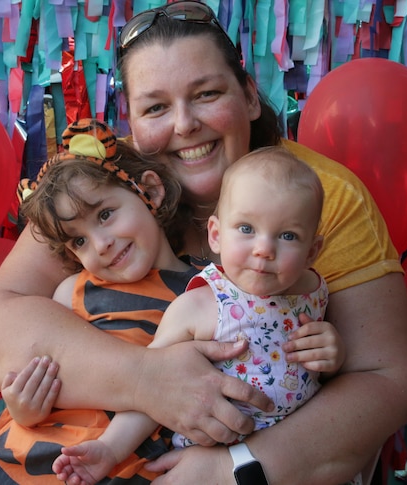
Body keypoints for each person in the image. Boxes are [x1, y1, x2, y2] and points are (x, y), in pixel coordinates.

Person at [0, 1, 407, 483]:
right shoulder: (104, 186)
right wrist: (148, 381)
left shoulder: (321, 196)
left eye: (205, 94)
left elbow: (384, 379)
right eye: (156, 107)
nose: (184, 125)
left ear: (248, 96)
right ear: (133, 123)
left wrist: (232, 470)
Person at [52, 147, 344, 484]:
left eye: (287, 235)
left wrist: (333, 353)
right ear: (216, 235)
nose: (264, 249)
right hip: (208, 460)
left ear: (312, 251)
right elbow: (151, 387)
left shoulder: (313, 293)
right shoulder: (201, 305)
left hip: (291, 461)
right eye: (246, 229)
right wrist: (109, 450)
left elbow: (323, 376)